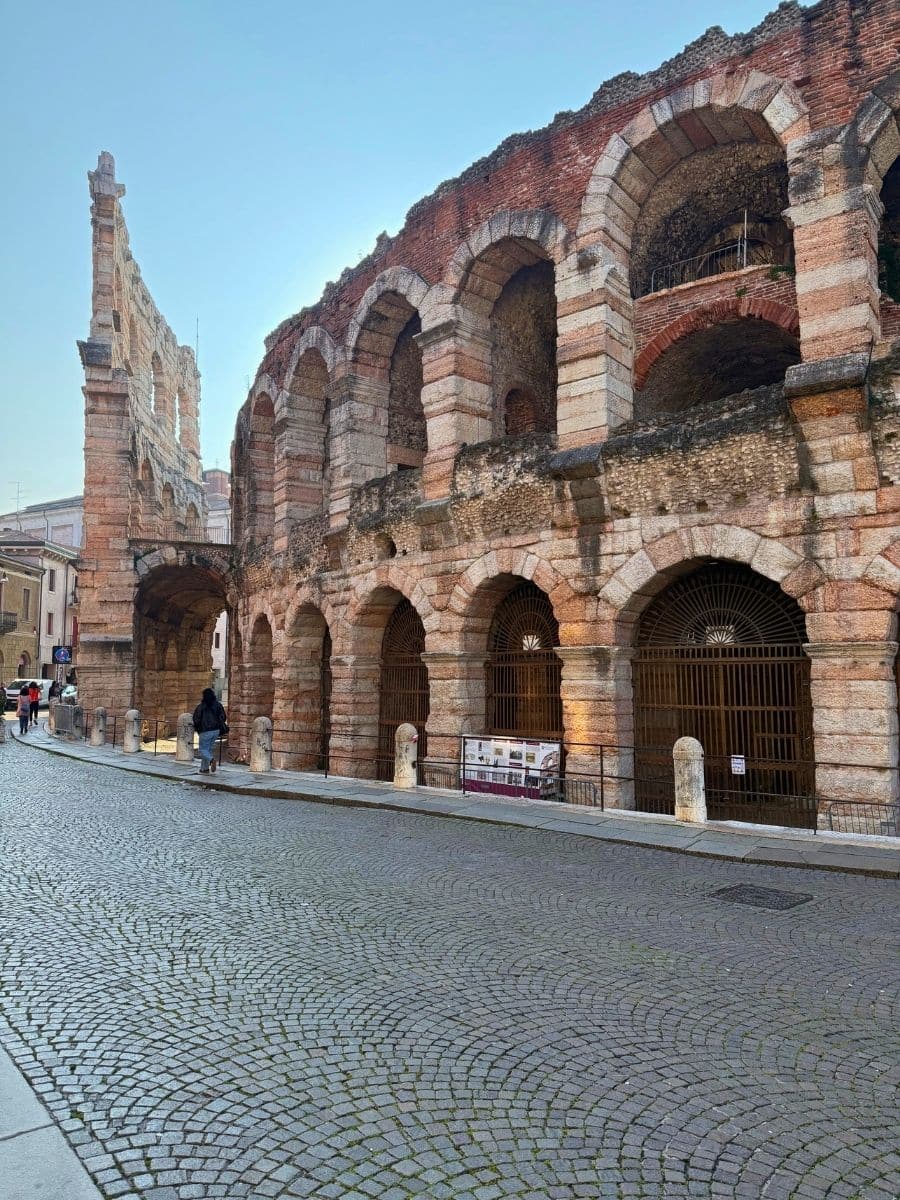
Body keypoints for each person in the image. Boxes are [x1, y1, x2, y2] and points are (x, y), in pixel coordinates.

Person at [192, 687, 227, 774]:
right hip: (216, 730)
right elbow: (223, 717)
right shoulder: (218, 705)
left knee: (202, 750)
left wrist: (197, 728)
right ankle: (204, 769)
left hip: (205, 730)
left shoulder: (201, 707)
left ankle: (212, 760)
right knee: (208, 750)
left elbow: (196, 719)